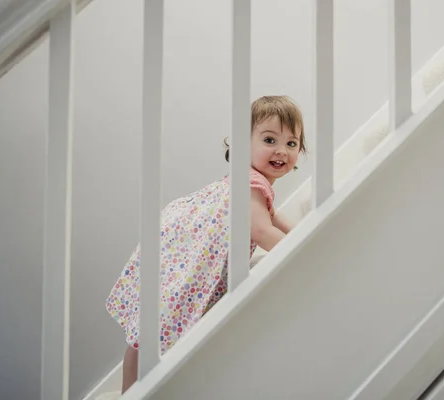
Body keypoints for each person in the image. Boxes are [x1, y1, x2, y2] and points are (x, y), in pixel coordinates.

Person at [104, 95, 307, 393]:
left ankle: (129, 392)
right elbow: (263, 231)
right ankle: (133, 393)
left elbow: (274, 219)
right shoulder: (251, 184)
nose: (281, 151)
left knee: (147, 332)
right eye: (269, 139)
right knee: (157, 329)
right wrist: (300, 253)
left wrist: (305, 230)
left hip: (178, 250)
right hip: (187, 259)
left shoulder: (250, 183)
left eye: (292, 144)